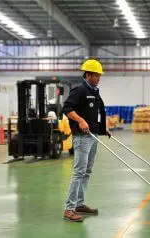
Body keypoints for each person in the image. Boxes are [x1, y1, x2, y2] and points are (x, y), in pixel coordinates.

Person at [62, 58, 111, 222]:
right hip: (82, 138)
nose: (99, 78)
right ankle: (69, 209)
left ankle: (79, 204)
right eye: (97, 75)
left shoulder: (94, 91)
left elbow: (92, 115)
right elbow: (67, 108)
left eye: (99, 75)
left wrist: (102, 128)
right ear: (88, 75)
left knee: (87, 172)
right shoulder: (80, 90)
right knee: (79, 172)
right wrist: (80, 120)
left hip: (93, 135)